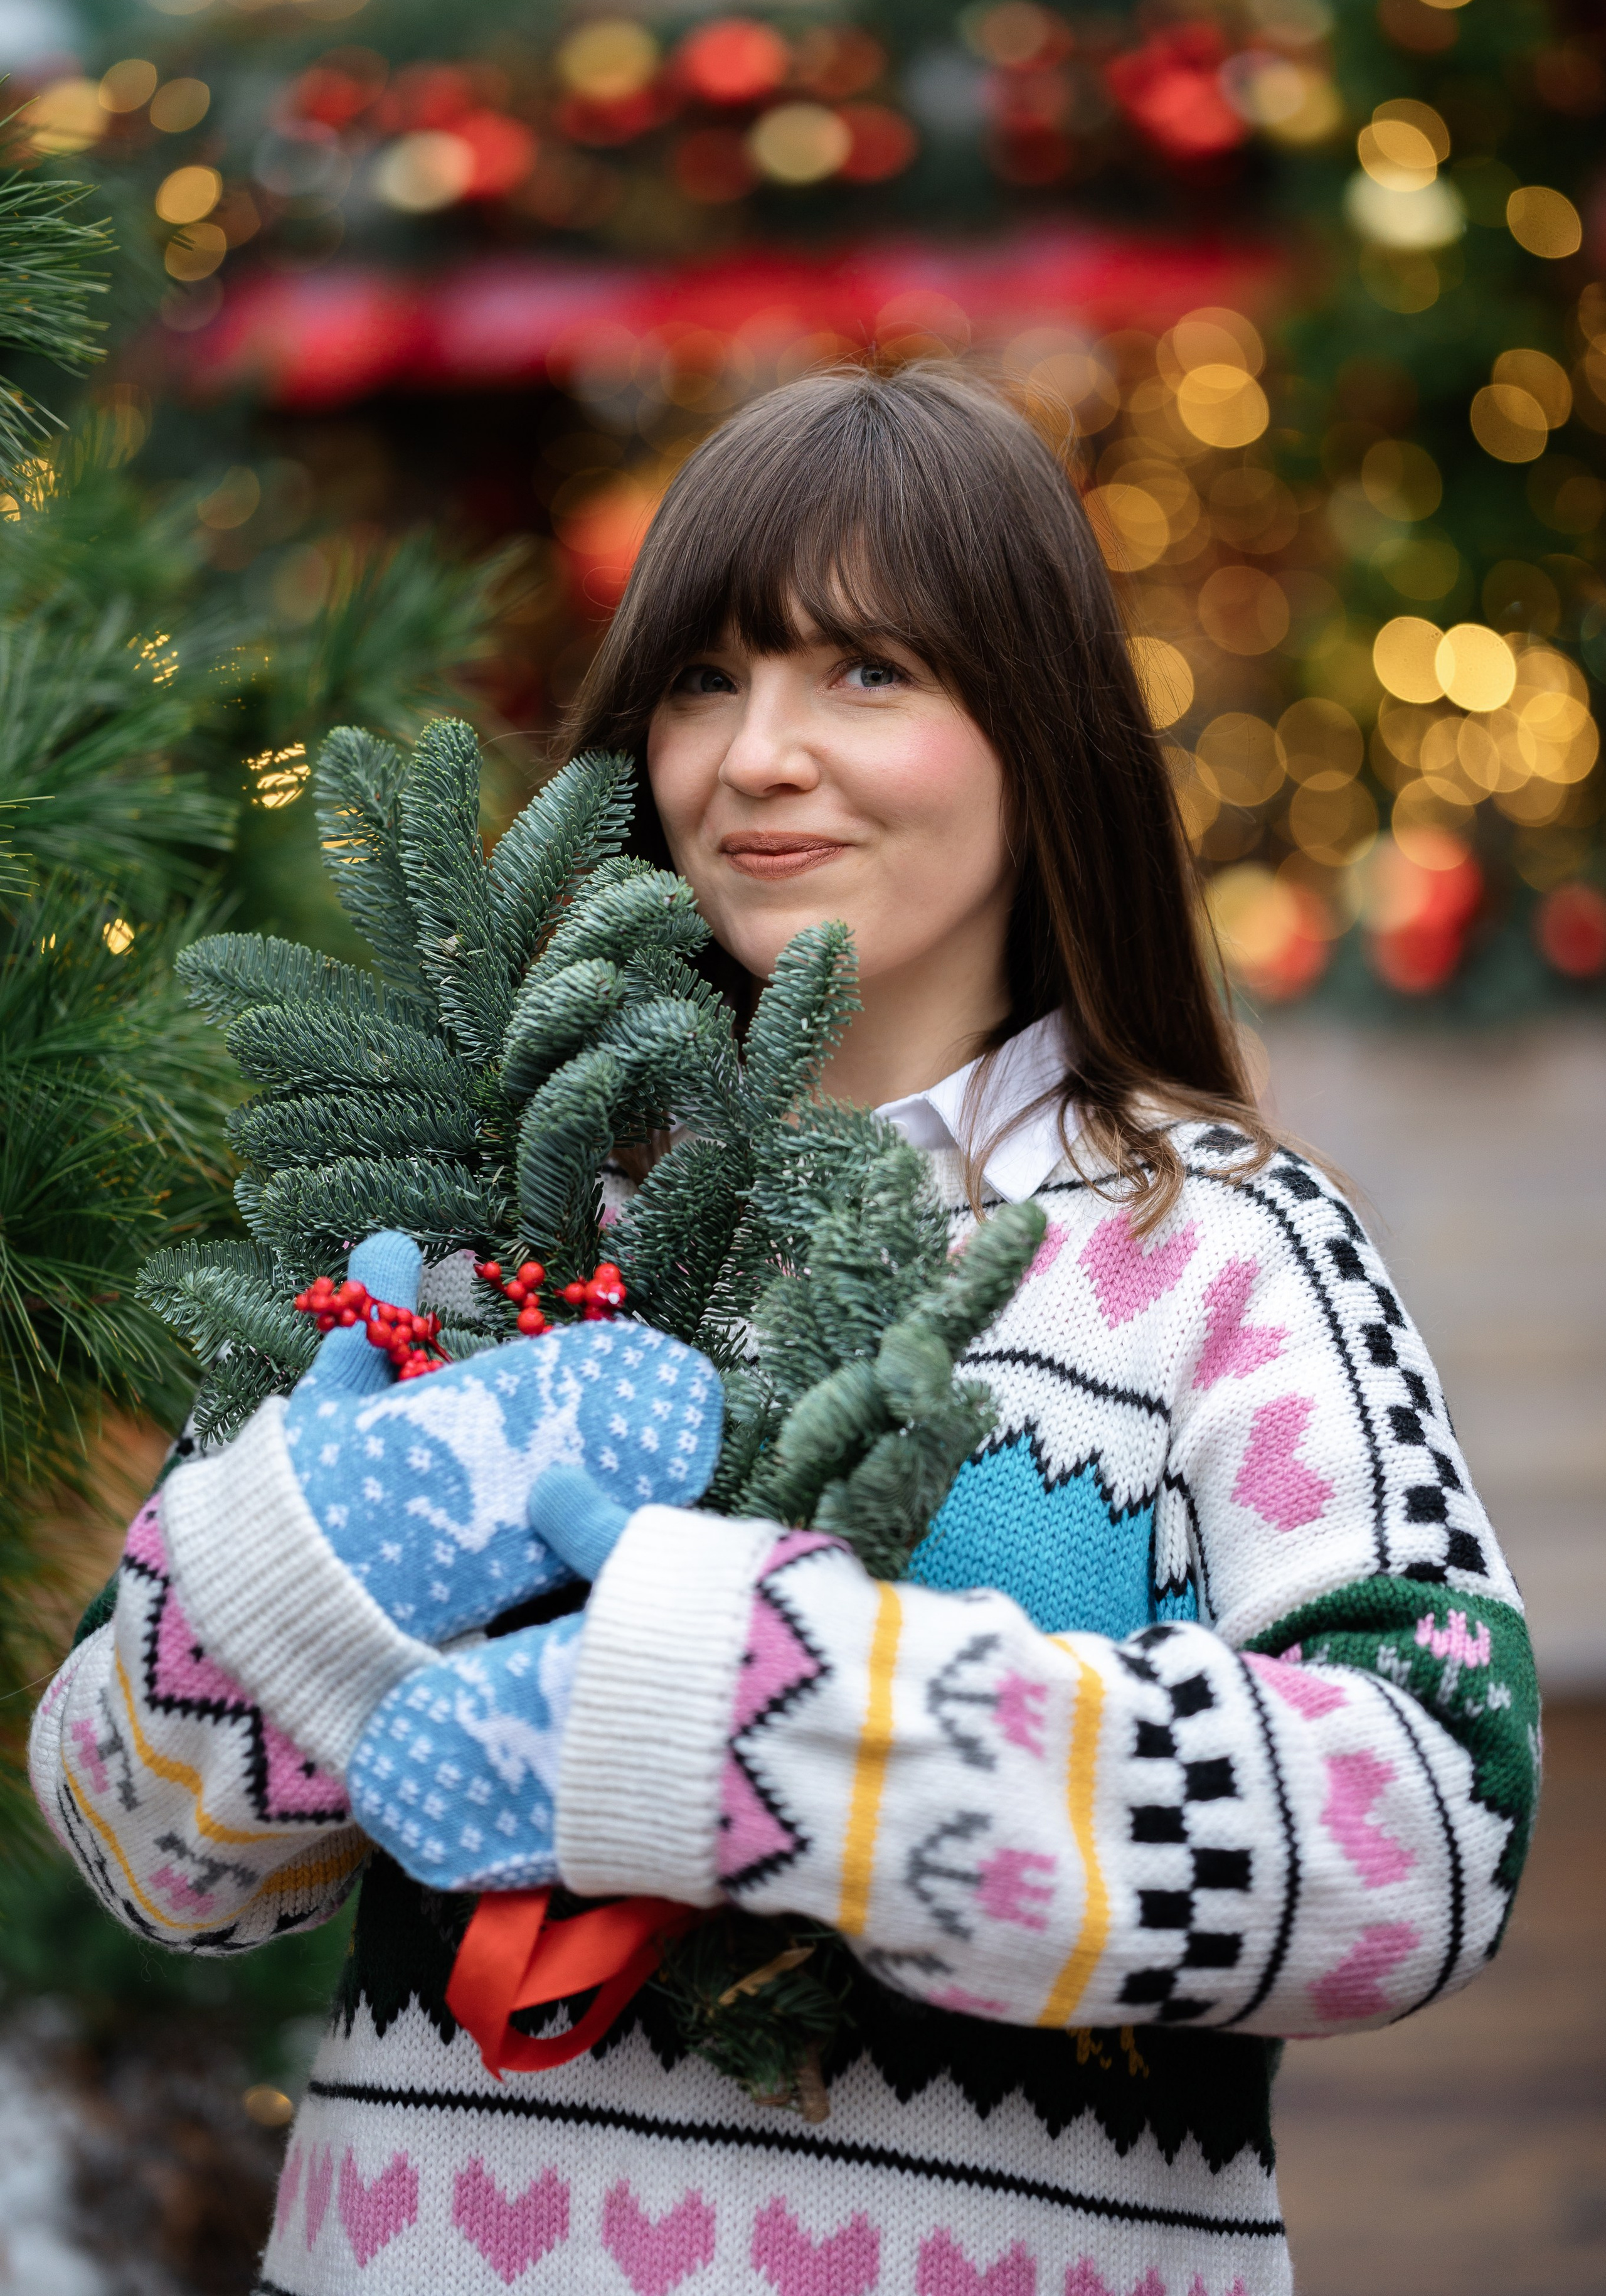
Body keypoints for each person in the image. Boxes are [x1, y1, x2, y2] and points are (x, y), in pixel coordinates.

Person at [32, 366, 1537, 2296]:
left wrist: (773, 1721)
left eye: (867, 674)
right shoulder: (493, 1205)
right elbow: (139, 1851)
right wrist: (308, 1572)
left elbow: (1433, 1828)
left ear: (1042, 727)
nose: (753, 759)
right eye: (703, 679)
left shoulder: (1229, 1251)